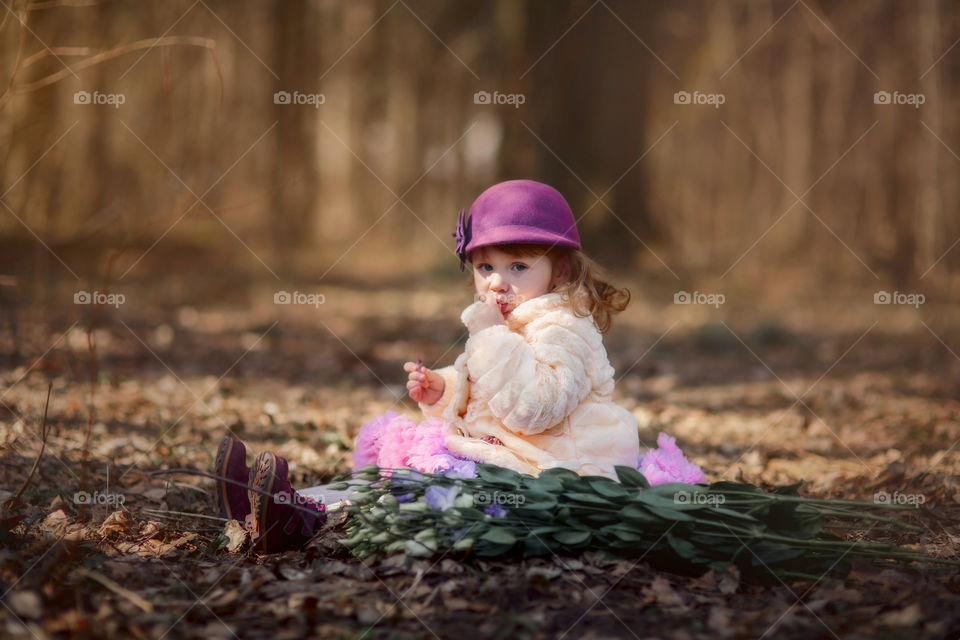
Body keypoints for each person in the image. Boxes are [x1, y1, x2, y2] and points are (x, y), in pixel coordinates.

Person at [213, 179, 704, 553]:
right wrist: (442, 390)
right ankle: (271, 507)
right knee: (386, 476)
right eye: (486, 268)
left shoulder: (565, 330)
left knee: (415, 490)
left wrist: (489, 335)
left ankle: (301, 522)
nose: (497, 283)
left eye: (518, 267)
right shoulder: (503, 326)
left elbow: (534, 409)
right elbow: (480, 384)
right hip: (504, 454)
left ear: (562, 269)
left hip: (553, 475)